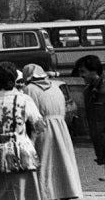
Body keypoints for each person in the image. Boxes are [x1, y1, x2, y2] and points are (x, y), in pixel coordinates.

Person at [0, 61, 44, 198]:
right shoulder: (24, 99)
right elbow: (39, 126)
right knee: (23, 193)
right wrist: (31, 141)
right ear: (13, 78)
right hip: (22, 153)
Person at [22, 63, 83, 199]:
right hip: (61, 128)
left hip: (42, 129)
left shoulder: (29, 89)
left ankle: (47, 193)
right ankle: (67, 189)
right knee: (62, 160)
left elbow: (30, 114)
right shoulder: (55, 87)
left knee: (45, 161)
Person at [76, 54, 105, 182]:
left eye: (83, 71)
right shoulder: (88, 91)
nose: (81, 75)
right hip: (98, 136)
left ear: (94, 70)